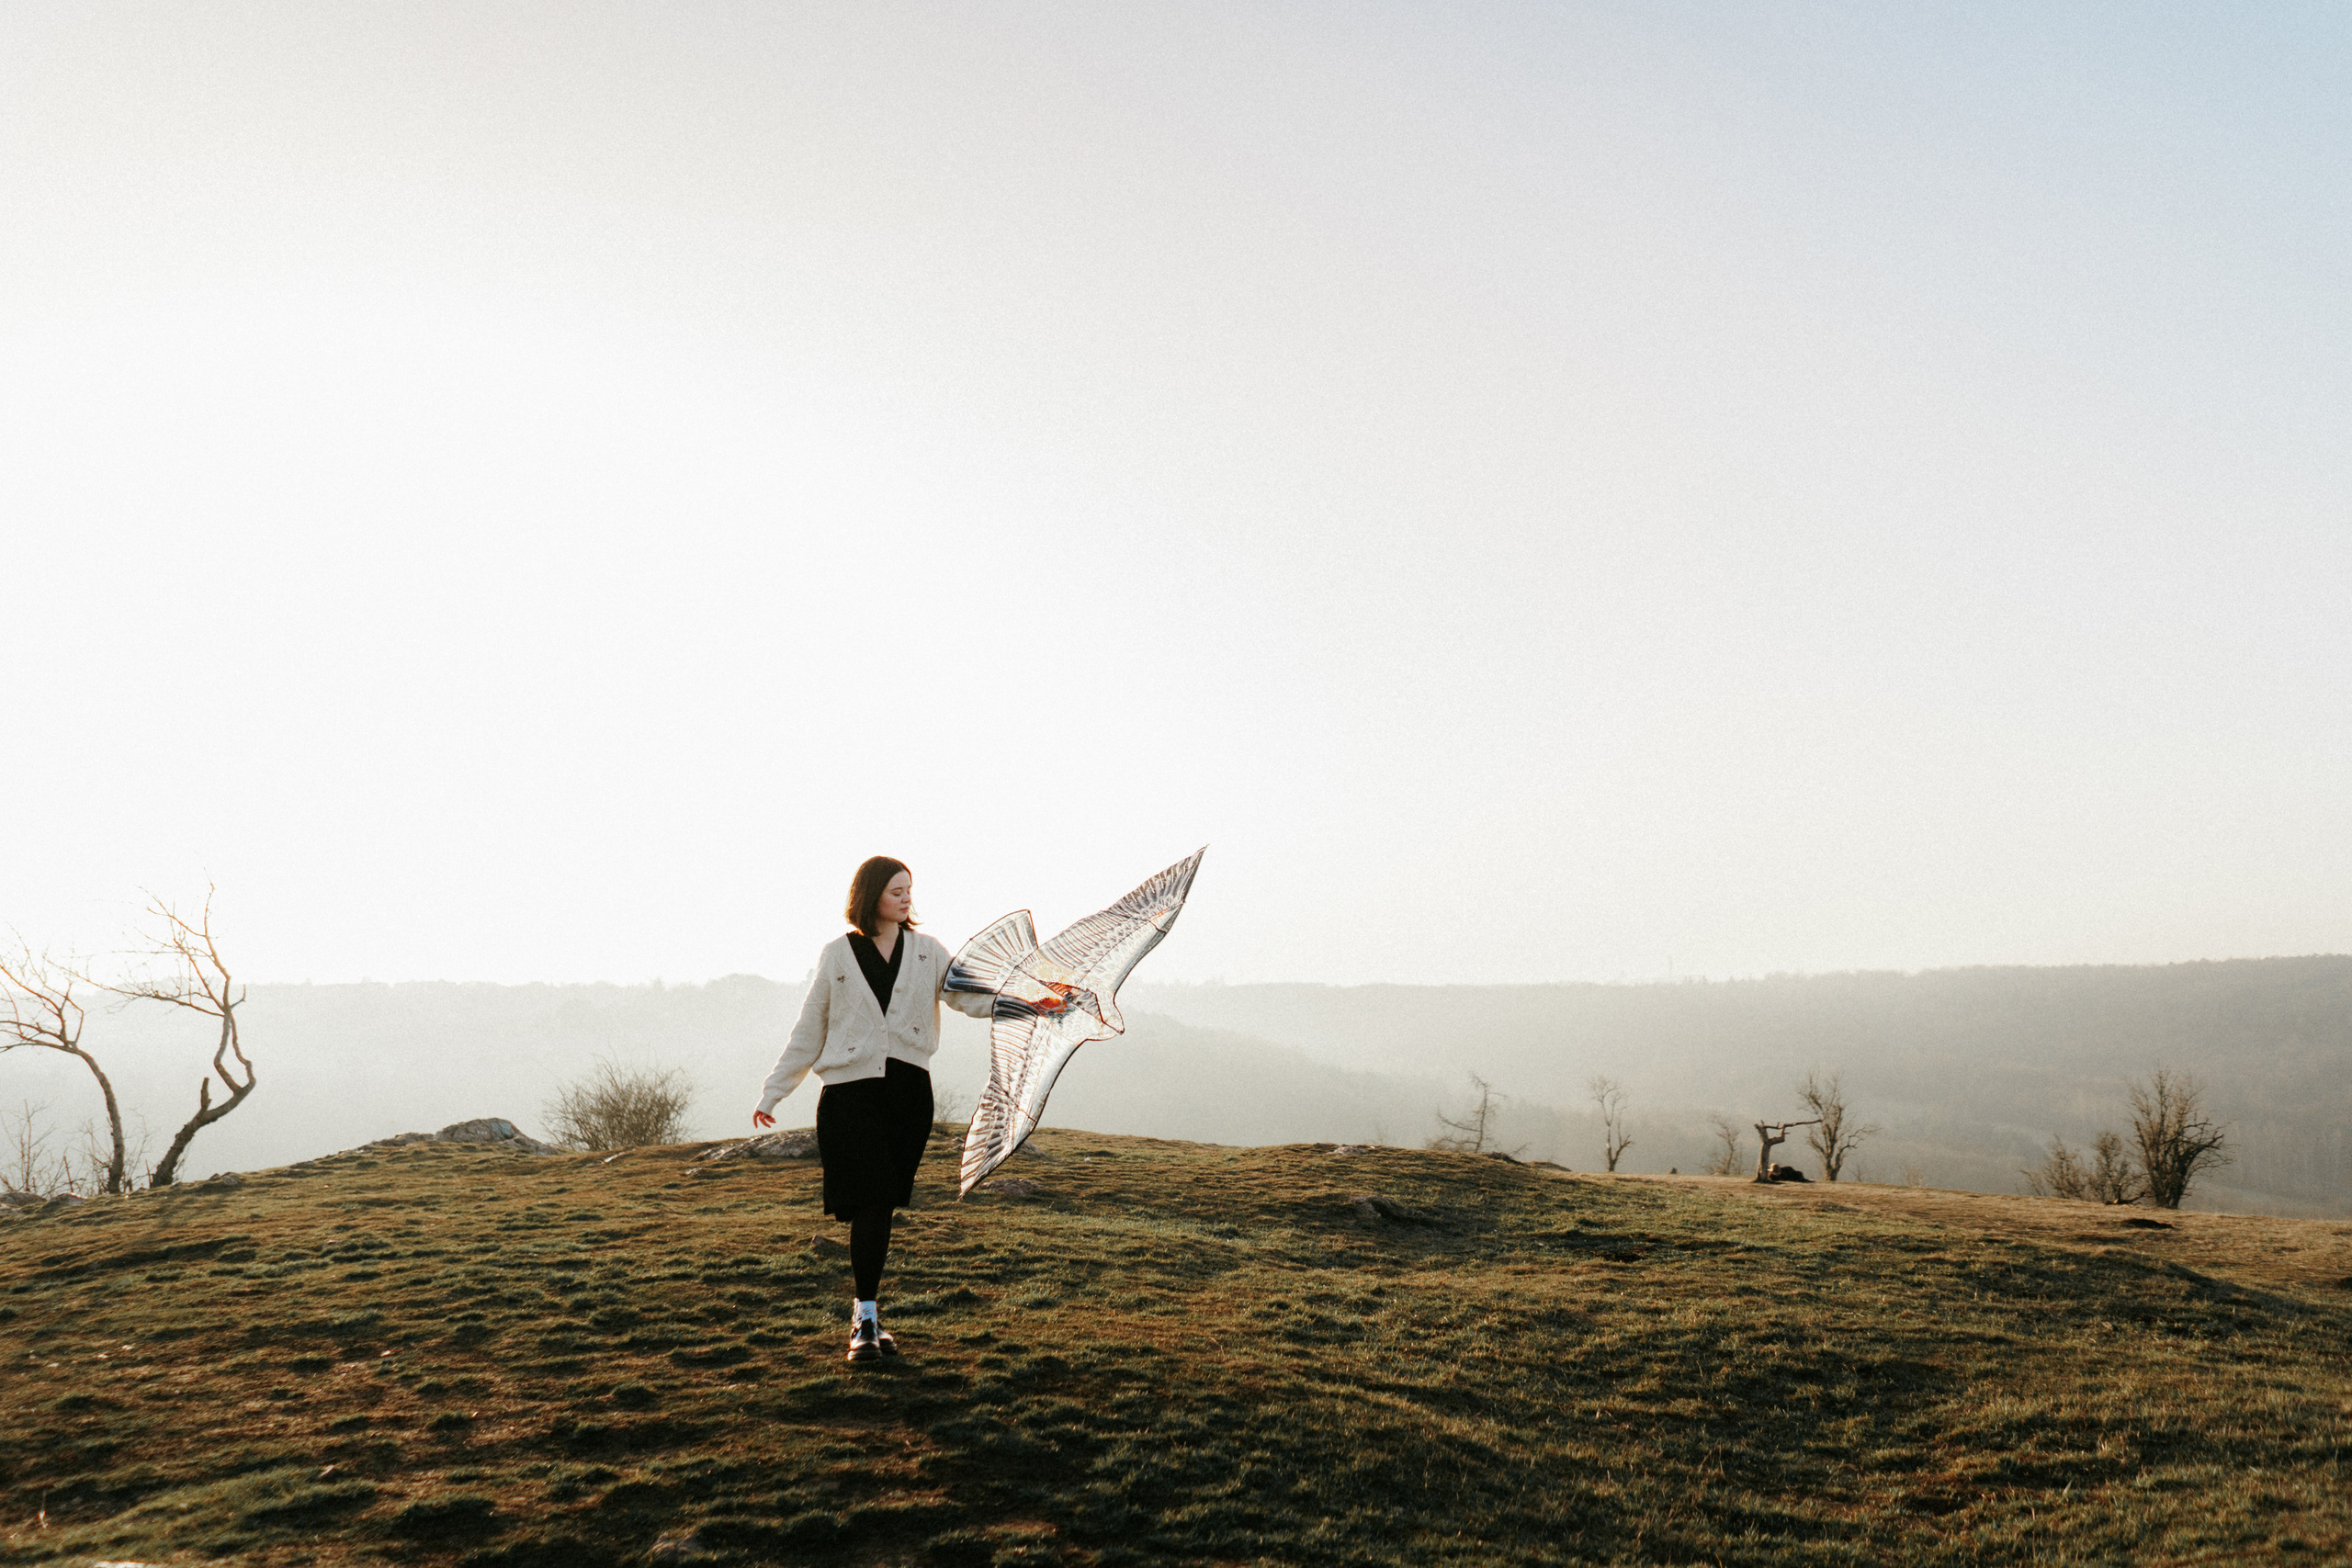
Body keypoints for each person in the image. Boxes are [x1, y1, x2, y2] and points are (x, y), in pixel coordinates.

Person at [753, 856, 995, 1362]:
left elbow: (970, 997)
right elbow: (809, 1028)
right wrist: (774, 1091)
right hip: (850, 1097)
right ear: (869, 897)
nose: (907, 898)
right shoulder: (838, 955)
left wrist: (1030, 1003)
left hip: (908, 1097)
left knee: (880, 1204)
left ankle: (868, 1317)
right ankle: (865, 1320)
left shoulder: (929, 953)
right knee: (868, 1202)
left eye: (910, 889)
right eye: (895, 891)